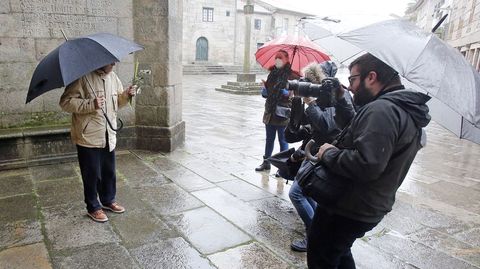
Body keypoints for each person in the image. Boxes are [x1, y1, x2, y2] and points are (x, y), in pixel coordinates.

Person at [307, 53, 431, 268]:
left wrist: (328, 153)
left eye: (353, 79)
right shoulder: (399, 108)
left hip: (350, 205)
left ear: (371, 77)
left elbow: (367, 164)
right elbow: (362, 132)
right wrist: (340, 99)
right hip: (368, 204)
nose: (350, 87)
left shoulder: (382, 110)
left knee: (322, 259)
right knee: (339, 253)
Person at [285, 62, 354, 252]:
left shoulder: (331, 96)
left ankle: (314, 236)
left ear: (317, 82)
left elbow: (328, 127)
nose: (305, 85)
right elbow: (293, 134)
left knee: (296, 193)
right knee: (310, 193)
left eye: (308, 82)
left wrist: (311, 103)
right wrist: (296, 108)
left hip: (324, 153)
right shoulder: (315, 99)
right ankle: (319, 234)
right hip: (313, 151)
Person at [59, 63, 136, 223]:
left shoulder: (113, 78)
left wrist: (127, 95)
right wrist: (90, 104)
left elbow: (117, 102)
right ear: (100, 61)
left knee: (109, 171)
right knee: (92, 174)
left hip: (109, 132)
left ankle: (108, 200)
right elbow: (65, 102)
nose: (114, 64)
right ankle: (93, 207)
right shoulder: (82, 77)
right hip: (88, 135)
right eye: (110, 61)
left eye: (115, 61)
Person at [255, 50, 299, 172]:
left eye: (280, 58)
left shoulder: (292, 76)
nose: (277, 60)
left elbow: (295, 96)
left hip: (282, 113)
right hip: (270, 112)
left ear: (286, 60)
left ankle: (283, 167)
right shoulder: (272, 74)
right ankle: (266, 162)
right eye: (276, 58)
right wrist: (265, 89)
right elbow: (266, 93)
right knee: (269, 139)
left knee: (283, 140)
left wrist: (285, 92)